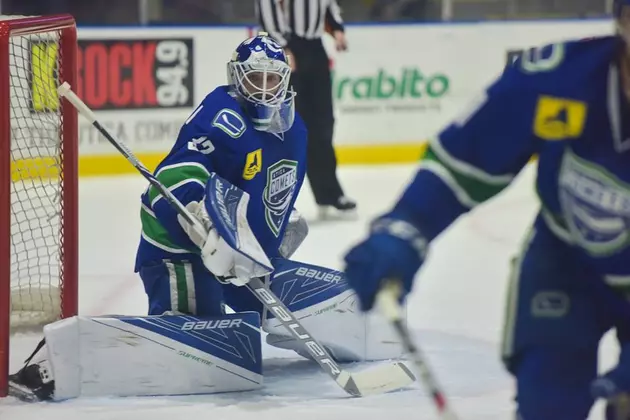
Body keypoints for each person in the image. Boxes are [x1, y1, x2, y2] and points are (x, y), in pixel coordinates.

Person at [8, 33, 400, 402]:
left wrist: (272, 233)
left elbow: (274, 189)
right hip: (183, 247)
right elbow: (174, 177)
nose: (264, 88)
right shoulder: (221, 115)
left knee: (321, 302)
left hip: (245, 255)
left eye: (272, 78)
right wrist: (202, 220)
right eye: (255, 78)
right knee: (212, 348)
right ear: (237, 78)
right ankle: (60, 364)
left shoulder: (294, 128)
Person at [343, 2, 630, 418]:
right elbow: (464, 159)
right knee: (547, 403)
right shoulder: (559, 78)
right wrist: (406, 228)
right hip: (566, 263)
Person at [257, 0, 357, 219]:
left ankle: (330, 194)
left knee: (323, 123)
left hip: (315, 48)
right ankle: (270, 200)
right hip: (287, 51)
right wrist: (281, 47)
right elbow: (268, 8)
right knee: (289, 126)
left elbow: (329, 7)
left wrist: (338, 30)